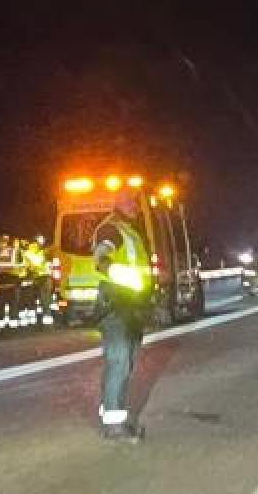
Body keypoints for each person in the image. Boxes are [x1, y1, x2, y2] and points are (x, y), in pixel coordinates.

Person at [93, 189, 154, 443]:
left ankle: (112, 410)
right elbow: (101, 258)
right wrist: (121, 276)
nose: (135, 207)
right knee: (119, 361)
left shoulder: (131, 232)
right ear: (118, 204)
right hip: (116, 306)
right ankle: (114, 427)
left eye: (136, 203)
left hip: (131, 308)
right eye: (130, 202)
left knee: (125, 362)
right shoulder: (111, 229)